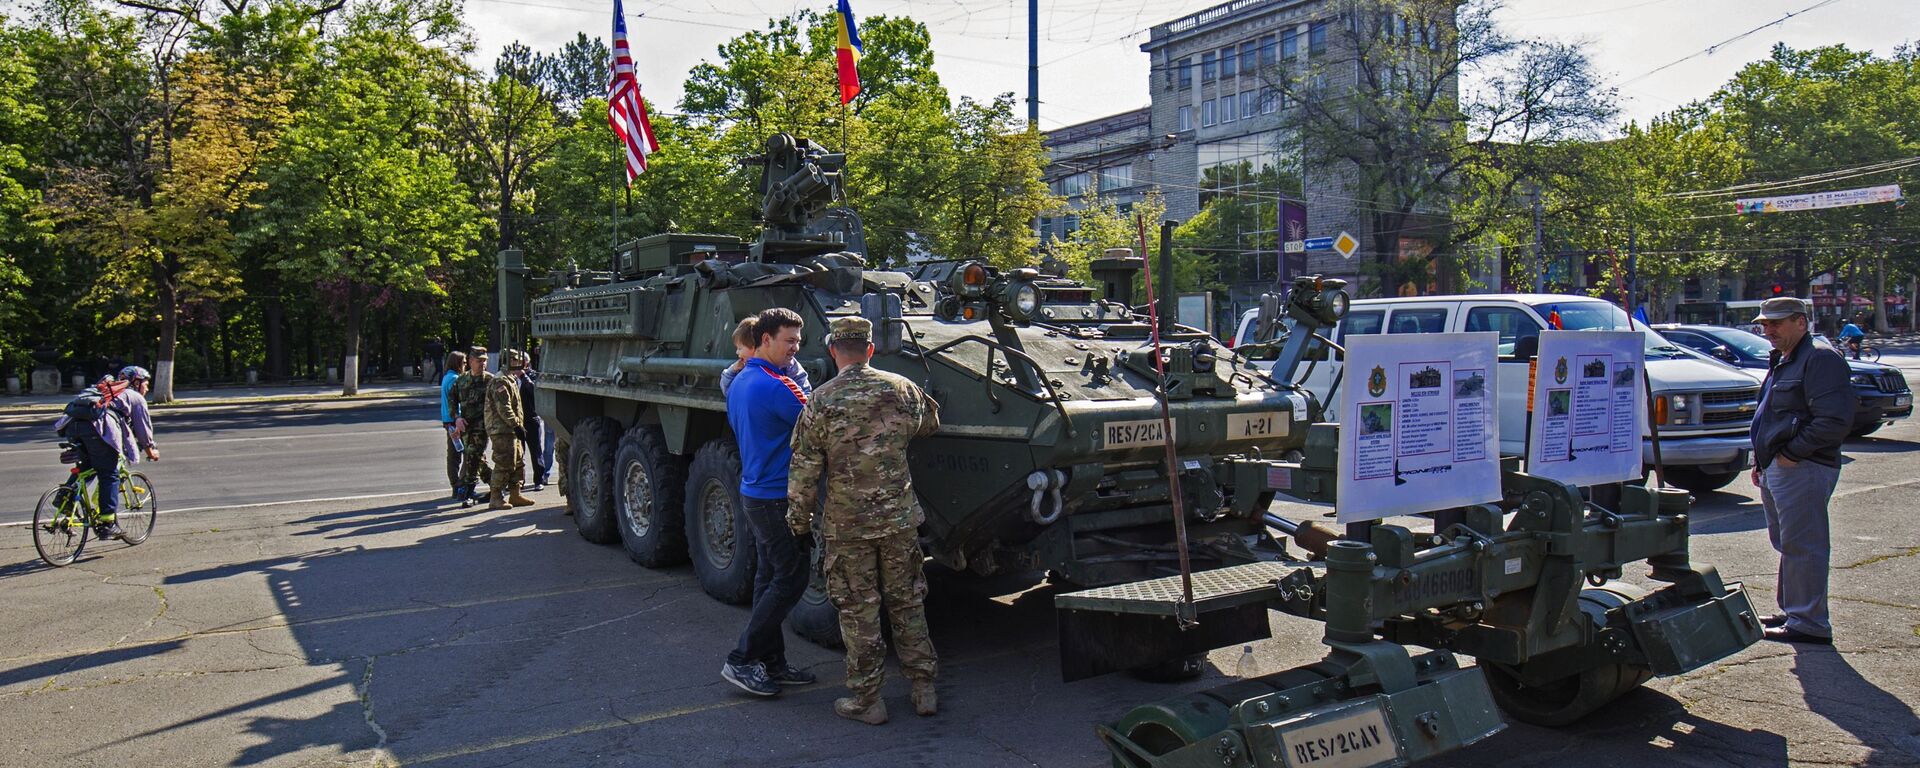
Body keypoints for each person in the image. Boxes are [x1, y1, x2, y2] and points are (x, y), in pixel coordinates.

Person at [788, 316, 941, 724]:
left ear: (833, 351)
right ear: (871, 349)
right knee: (908, 601)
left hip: (847, 525)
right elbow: (930, 425)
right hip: (899, 520)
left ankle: (868, 700)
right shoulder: (902, 388)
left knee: (859, 611)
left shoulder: (821, 399)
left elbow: (804, 469)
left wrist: (799, 523)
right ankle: (923, 688)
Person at [720, 308, 817, 697]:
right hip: (777, 497)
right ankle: (742, 659)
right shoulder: (778, 386)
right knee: (790, 578)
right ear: (764, 340)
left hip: (756, 493)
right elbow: (819, 422)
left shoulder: (741, 380)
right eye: (789, 341)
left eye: (798, 340)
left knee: (768, 578)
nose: (796, 349)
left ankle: (771, 662)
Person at [1749, 297, 1852, 645]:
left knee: (1804, 545)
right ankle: (1795, 611)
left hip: (1803, 468)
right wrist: (1761, 461)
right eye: (1765, 324)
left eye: (1776, 323)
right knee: (1789, 543)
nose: (1769, 330)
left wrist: (1791, 454)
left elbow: (1833, 420)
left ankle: (1809, 622)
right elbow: (1773, 415)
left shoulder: (1819, 358)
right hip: (1779, 466)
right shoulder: (1785, 357)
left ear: (1801, 323)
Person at [53, 367, 159, 540]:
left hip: (73, 428)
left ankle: (64, 497)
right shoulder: (135, 397)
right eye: (146, 383)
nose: (147, 388)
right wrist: (151, 450)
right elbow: (143, 429)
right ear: (137, 382)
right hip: (97, 430)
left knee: (87, 466)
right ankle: (107, 524)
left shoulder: (103, 390)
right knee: (109, 473)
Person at [485, 350, 538, 511]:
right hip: (501, 429)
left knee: (518, 462)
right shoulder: (500, 380)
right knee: (504, 462)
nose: (520, 362)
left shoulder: (511, 378)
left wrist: (517, 426)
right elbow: (504, 407)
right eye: (516, 359)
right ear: (508, 360)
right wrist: (516, 425)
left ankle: (515, 494)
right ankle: (495, 497)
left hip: (511, 429)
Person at [720, 317, 810, 395]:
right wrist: (732, 370)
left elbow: (803, 386)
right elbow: (728, 390)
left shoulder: (788, 363)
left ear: (754, 347)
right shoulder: (742, 368)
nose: (737, 352)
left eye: (740, 348)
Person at [453, 348, 493, 506]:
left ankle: (468, 492)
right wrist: (457, 418)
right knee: (476, 458)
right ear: (470, 362)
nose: (483, 363)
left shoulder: (490, 380)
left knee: (473, 455)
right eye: (479, 361)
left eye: (485, 360)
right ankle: (497, 485)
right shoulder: (461, 380)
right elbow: (452, 401)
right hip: (465, 425)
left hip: (482, 426)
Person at [518, 355, 548, 492]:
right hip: (517, 420)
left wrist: (524, 377)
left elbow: (534, 391)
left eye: (520, 360)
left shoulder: (532, 375)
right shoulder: (510, 377)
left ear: (527, 361)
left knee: (536, 451)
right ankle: (518, 481)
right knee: (518, 453)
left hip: (531, 418)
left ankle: (539, 480)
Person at [440, 350, 468, 499]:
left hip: (448, 420)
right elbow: (455, 402)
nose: (465, 365)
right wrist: (458, 419)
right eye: (463, 363)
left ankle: (455, 485)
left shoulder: (447, 377)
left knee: (453, 454)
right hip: (455, 420)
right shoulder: (455, 379)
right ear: (457, 363)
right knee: (465, 454)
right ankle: (459, 485)